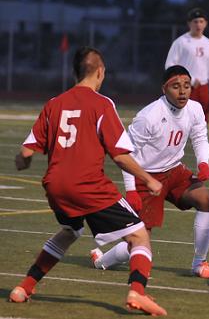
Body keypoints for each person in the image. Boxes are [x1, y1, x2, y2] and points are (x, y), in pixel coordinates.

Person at [8, 47, 167, 316]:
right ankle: (137, 293)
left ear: (75, 72)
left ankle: (24, 287)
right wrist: (148, 179)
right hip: (87, 186)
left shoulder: (54, 103)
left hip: (55, 186)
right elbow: (119, 155)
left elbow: (25, 153)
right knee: (139, 235)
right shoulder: (102, 104)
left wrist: (23, 161)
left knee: (70, 230)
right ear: (100, 71)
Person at [90, 65, 209, 279]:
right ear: (164, 89)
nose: (183, 91)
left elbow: (199, 137)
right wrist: (131, 190)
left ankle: (199, 263)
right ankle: (101, 260)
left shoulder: (194, 109)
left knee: (206, 199)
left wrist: (203, 163)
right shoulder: (149, 116)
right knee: (140, 241)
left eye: (187, 86)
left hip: (174, 171)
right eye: (176, 86)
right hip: (145, 177)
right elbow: (126, 154)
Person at [165, 7, 209, 123]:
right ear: (189, 23)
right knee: (182, 122)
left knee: (202, 123)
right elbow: (170, 65)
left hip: (203, 88)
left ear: (205, 24)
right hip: (185, 88)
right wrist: (188, 79)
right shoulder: (181, 42)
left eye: (201, 21)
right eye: (195, 22)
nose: (198, 25)